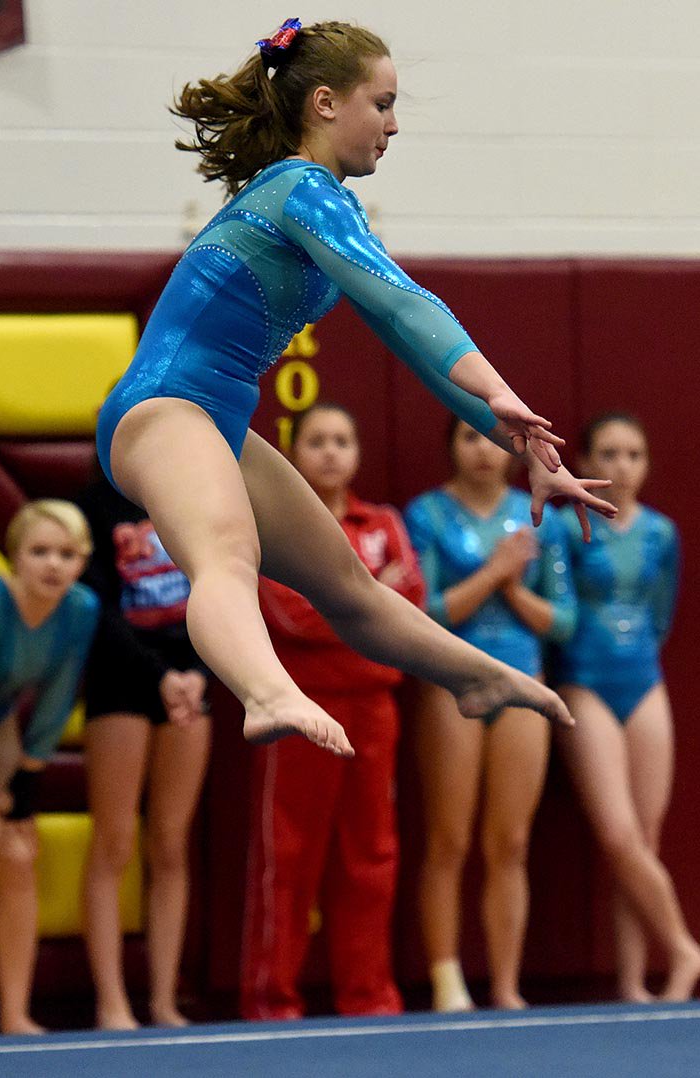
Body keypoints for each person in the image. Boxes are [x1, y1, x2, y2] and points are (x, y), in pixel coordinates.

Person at [95, 19, 617, 763]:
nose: (393, 125)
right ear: (326, 103)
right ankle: (265, 692)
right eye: (383, 103)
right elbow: (407, 304)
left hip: (216, 421)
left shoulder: (323, 202)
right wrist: (498, 391)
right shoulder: (299, 187)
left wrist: (527, 450)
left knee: (347, 583)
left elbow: (407, 338)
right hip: (162, 410)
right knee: (226, 554)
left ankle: (474, 677)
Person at [241, 402, 424, 1020]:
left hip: (374, 708)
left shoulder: (384, 522)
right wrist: (372, 594)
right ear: (294, 452)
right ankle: (271, 1001)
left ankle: (368, 997)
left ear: (358, 453)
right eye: (317, 440)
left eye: (342, 440)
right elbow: (288, 614)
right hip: (300, 709)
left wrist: (343, 601)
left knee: (373, 855)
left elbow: (413, 601)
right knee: (288, 857)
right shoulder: (273, 524)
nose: (330, 451)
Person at [404, 418, 576, 1011]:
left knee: (510, 842)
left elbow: (564, 622)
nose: (483, 449)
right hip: (453, 682)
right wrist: (496, 573)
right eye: (469, 437)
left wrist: (513, 589)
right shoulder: (427, 514)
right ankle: (447, 982)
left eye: (493, 439)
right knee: (448, 838)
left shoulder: (540, 517)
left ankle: (506, 987)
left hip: (522, 681)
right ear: (451, 445)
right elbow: (421, 613)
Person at [555, 413, 700, 1002]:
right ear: (585, 463)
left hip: (643, 681)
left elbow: (661, 614)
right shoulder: (566, 525)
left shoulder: (662, 533)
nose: (622, 466)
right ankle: (685, 949)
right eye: (609, 454)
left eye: (634, 454)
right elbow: (560, 613)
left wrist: (635, 655)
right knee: (618, 835)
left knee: (645, 839)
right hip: (584, 681)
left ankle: (633, 985)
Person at [0, 500, 99, 1037]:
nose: (53, 565)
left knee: (16, 853)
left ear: (83, 561)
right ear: (14, 556)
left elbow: (57, 697)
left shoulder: (80, 609)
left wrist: (27, 785)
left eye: (66, 554)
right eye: (39, 552)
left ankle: (15, 1014)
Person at [76, 461, 212, 1030]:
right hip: (121, 680)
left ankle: (162, 1000)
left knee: (171, 843)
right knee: (113, 842)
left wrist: (201, 670)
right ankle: (111, 1001)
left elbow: (218, 587)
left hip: (189, 680)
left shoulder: (193, 497)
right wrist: (158, 675)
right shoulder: (93, 507)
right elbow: (96, 606)